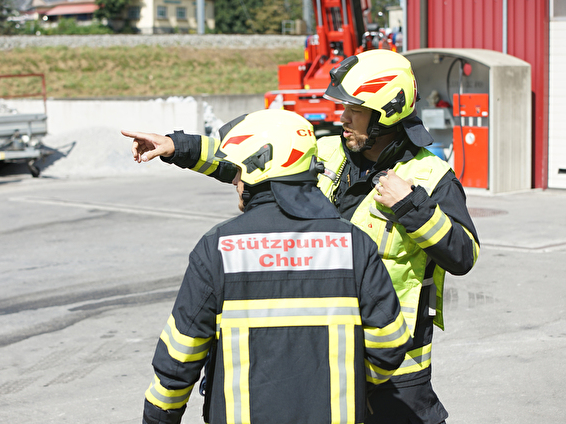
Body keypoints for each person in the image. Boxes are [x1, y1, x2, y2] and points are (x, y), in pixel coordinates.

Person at [126, 49, 480, 424]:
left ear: (385, 114)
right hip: (323, 358)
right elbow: (251, 158)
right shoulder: (326, 152)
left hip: (395, 368)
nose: (341, 118)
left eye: (354, 111)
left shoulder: (431, 176)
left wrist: (412, 206)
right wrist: (177, 147)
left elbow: (463, 255)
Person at [133, 109, 413, 424]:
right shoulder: (354, 244)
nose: (235, 180)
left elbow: (178, 358)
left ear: (258, 168)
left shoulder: (218, 248)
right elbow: (389, 344)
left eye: (238, 170)